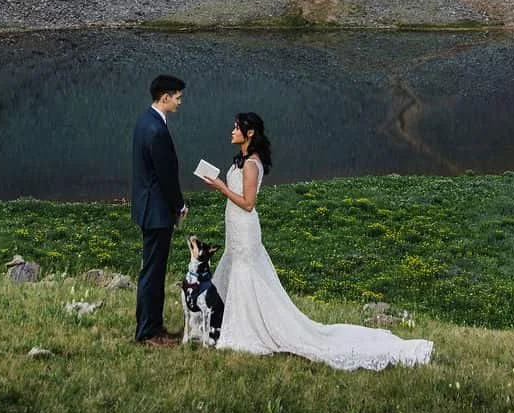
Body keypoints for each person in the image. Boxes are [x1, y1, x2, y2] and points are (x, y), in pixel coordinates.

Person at [200, 111, 432, 369]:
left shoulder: (252, 164)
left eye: (236, 128)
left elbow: (248, 203)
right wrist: (222, 187)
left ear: (249, 133)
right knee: (239, 273)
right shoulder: (241, 161)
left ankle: (248, 329)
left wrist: (222, 188)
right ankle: (235, 322)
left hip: (245, 228)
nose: (232, 131)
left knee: (247, 274)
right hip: (234, 228)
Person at [130, 74, 187, 345]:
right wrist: (180, 205)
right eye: (177, 97)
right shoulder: (157, 131)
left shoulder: (145, 122)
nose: (179, 102)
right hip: (157, 211)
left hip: (147, 207)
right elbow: (165, 175)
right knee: (153, 272)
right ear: (164, 97)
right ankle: (148, 332)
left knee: (151, 269)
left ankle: (152, 326)